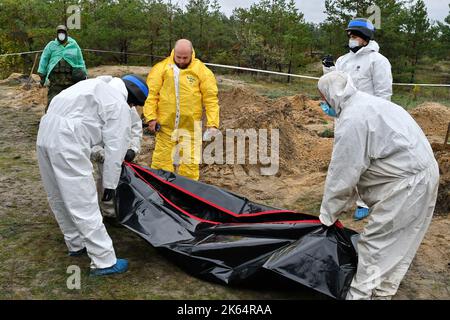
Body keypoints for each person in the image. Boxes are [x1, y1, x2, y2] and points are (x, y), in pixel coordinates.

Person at [317, 71, 439, 300]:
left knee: (376, 243)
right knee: (404, 239)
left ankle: (359, 295)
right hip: (425, 173)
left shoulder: (353, 120)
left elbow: (342, 176)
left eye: (323, 99)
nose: (322, 105)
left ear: (332, 95)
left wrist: (326, 217)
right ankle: (383, 292)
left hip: (407, 186)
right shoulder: (370, 104)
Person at [36, 75, 148, 276]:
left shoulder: (93, 85)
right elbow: (116, 149)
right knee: (83, 202)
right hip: (67, 141)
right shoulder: (118, 104)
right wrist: (110, 186)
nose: (131, 106)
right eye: (133, 103)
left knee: (57, 194)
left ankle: (75, 243)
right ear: (131, 97)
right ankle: (104, 261)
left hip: (45, 131)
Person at [322, 18, 393, 220]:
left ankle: (364, 202)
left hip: (367, 121)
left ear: (365, 37)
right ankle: (341, 200)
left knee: (365, 162)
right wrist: (328, 69)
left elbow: (383, 94)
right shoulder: (343, 60)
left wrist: (377, 120)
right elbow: (336, 86)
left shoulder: (378, 61)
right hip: (344, 120)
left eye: (355, 36)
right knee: (343, 160)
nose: (351, 39)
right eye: (350, 36)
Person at [143, 39, 220, 181]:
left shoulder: (202, 71)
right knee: (160, 165)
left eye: (185, 57)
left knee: (190, 168)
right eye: (179, 57)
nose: (182, 60)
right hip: (165, 127)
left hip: (190, 129)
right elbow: (151, 95)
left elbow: (211, 99)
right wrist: (151, 117)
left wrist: (212, 124)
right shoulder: (161, 68)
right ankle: (160, 192)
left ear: (192, 54)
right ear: (174, 52)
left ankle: (186, 196)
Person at [91, 75, 147, 218]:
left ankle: (111, 214)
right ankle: (94, 215)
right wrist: (100, 152)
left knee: (113, 183)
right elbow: (86, 134)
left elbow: (136, 129)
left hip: (115, 157)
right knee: (91, 186)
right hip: (92, 156)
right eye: (132, 103)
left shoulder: (126, 106)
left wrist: (133, 150)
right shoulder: (96, 99)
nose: (132, 107)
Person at [37, 25, 87, 111]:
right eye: (59, 32)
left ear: (66, 33)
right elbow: (44, 59)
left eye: (63, 32)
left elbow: (80, 60)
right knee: (52, 103)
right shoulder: (51, 45)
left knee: (71, 104)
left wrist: (83, 73)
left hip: (71, 81)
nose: (61, 35)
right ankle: (50, 121)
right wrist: (42, 75)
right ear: (57, 34)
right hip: (55, 83)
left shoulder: (73, 45)